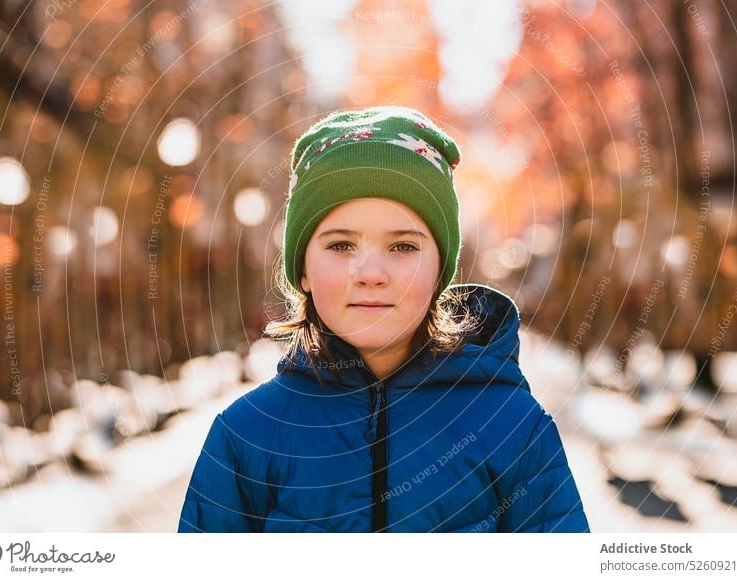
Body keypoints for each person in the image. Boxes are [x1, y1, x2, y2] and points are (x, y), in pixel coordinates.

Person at [177, 105, 590, 532]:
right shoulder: (246, 436)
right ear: (302, 269)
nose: (371, 274)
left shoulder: (512, 427)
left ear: (440, 270)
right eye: (340, 246)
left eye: (403, 247)